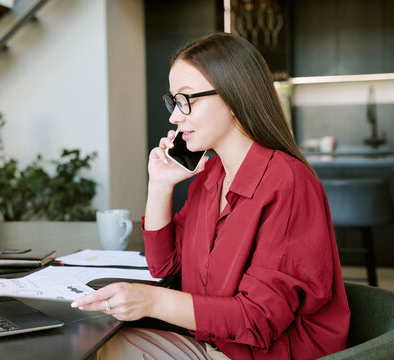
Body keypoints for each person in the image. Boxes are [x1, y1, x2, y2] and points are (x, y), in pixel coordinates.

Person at [71, 32, 350, 359]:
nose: (175, 116)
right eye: (173, 101)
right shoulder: (211, 176)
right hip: (217, 344)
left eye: (186, 99)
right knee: (90, 342)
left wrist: (152, 301)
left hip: (264, 354)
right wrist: (160, 186)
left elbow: (257, 320)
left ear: (233, 98)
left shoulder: (287, 182)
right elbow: (164, 266)